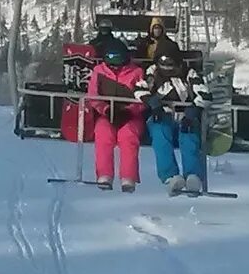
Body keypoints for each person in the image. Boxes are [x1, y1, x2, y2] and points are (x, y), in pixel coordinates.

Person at [82, 32, 148, 192]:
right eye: (112, 63)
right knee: (103, 133)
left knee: (128, 136)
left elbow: (144, 97)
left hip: (131, 116)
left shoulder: (136, 72)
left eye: (118, 63)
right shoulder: (99, 71)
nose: (115, 67)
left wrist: (130, 110)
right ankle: (104, 175)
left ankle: (128, 177)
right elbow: (93, 95)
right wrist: (105, 109)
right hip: (107, 113)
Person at [147, 48, 206, 195]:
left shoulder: (189, 74)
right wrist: (152, 102)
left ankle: (193, 176)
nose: (167, 68)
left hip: (185, 116)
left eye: (171, 65)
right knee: (160, 133)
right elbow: (139, 89)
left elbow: (205, 93)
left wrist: (194, 108)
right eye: (164, 65)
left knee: (188, 135)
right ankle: (170, 176)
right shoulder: (152, 72)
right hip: (162, 115)